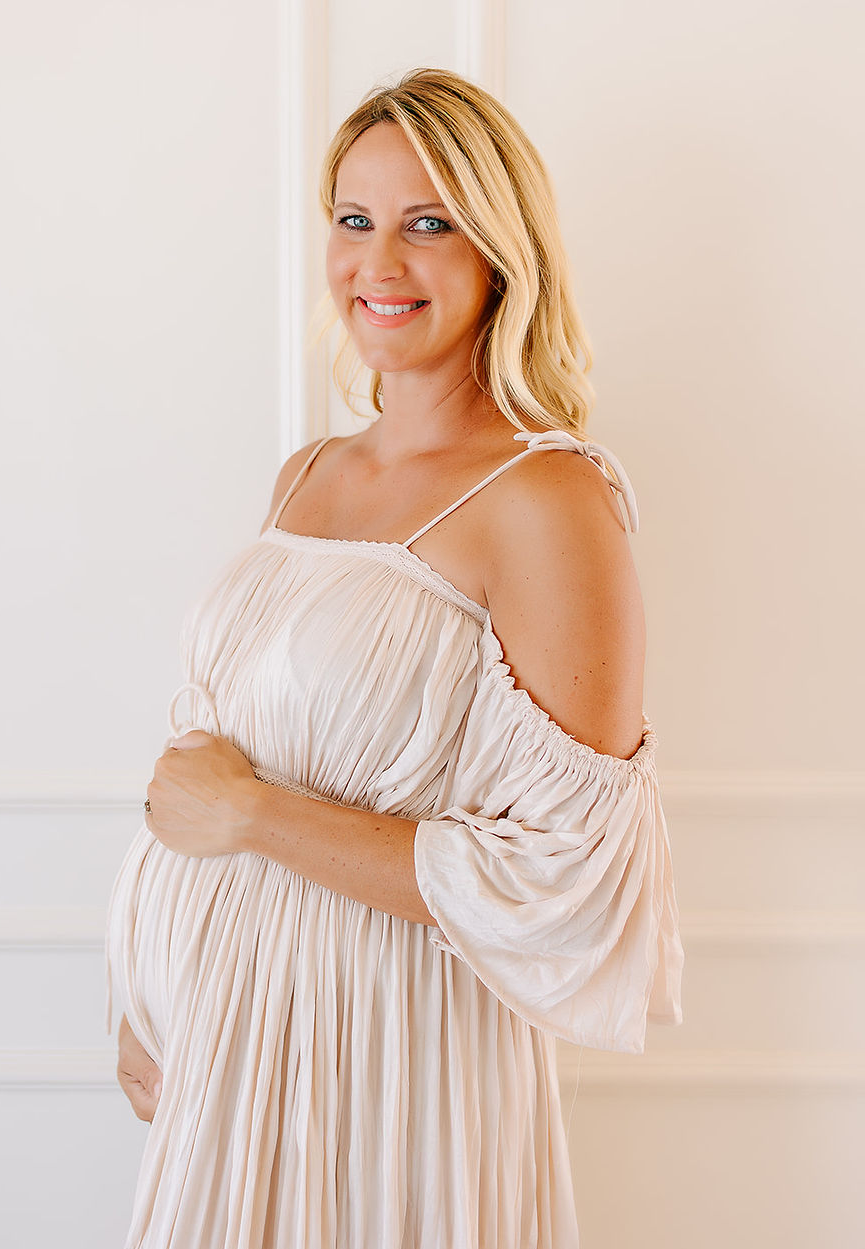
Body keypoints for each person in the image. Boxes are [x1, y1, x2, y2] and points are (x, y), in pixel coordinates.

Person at [106, 68, 683, 1249]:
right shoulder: (310, 475)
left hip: (387, 1044)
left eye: (428, 222)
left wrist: (253, 816)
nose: (379, 261)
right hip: (228, 1039)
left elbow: (570, 881)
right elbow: (209, 770)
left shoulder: (549, 498)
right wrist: (149, 992)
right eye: (353, 219)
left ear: (500, 249)